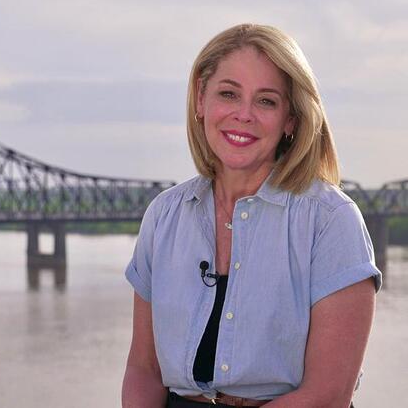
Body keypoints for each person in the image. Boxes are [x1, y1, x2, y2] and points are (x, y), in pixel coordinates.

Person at [121, 24, 382, 408]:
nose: (243, 115)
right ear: (200, 99)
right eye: (228, 94)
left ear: (291, 119)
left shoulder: (330, 221)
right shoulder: (164, 216)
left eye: (266, 101)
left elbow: (327, 395)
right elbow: (144, 369)